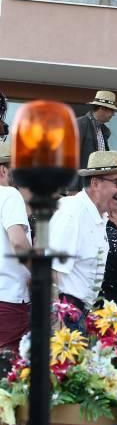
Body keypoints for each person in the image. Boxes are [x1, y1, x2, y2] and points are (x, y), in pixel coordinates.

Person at [50, 151, 117, 327]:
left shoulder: (99, 216)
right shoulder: (73, 212)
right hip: (66, 312)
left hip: (80, 311)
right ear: (95, 183)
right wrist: (60, 325)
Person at [0, 141, 32, 352]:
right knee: (7, 374)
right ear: (3, 170)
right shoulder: (9, 194)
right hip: (8, 297)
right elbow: (18, 242)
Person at [72, 91, 117, 192]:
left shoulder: (103, 131)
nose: (113, 114)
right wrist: (73, 188)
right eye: (112, 110)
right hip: (80, 188)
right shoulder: (80, 125)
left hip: (94, 187)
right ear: (102, 108)